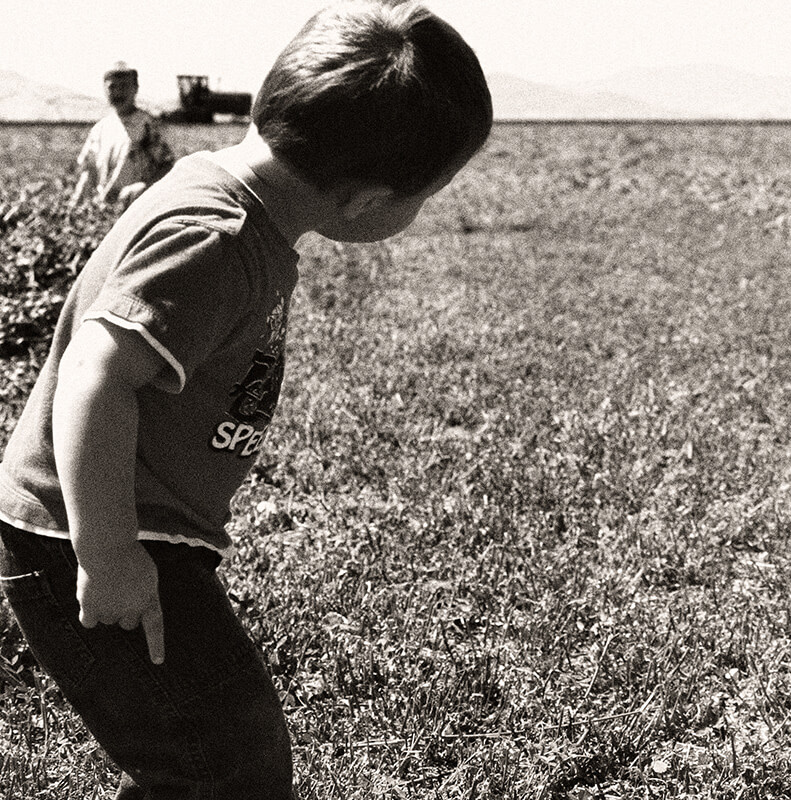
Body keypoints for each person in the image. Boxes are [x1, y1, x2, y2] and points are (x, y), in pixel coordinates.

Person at [0, 2, 492, 797]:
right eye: (419, 199)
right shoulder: (218, 237)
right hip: (93, 535)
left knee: (200, 755)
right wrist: (108, 555)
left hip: (133, 530)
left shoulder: (229, 200)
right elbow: (97, 373)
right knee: (226, 762)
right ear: (367, 200)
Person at [68, 61, 175, 208]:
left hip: (138, 208)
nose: (118, 93)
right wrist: (75, 203)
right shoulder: (100, 129)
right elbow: (88, 171)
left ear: (135, 88)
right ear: (105, 89)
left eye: (124, 86)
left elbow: (168, 166)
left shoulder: (148, 125)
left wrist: (145, 187)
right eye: (112, 87)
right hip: (105, 208)